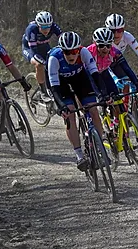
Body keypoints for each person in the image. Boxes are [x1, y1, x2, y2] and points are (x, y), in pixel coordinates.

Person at [47, 31, 108, 171]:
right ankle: (79, 155)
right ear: (62, 51)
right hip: (60, 84)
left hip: (79, 78)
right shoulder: (54, 59)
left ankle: (100, 147)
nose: (71, 55)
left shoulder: (84, 52)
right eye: (67, 52)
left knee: (93, 109)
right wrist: (61, 106)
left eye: (74, 51)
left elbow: (95, 75)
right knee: (70, 115)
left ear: (79, 49)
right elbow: (54, 88)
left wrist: (103, 94)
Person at [104, 13, 138, 82]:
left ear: (123, 29)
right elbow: (101, 61)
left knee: (129, 84)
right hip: (102, 65)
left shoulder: (127, 36)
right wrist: (114, 77)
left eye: (119, 30)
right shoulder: (104, 40)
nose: (116, 34)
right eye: (112, 31)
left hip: (117, 62)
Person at [21, 11, 61, 101]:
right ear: (38, 25)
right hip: (29, 48)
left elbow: (63, 39)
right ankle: (43, 91)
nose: (46, 29)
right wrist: (44, 62)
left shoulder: (54, 27)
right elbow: (34, 52)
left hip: (44, 46)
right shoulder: (31, 29)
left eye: (48, 26)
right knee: (39, 65)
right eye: (43, 27)